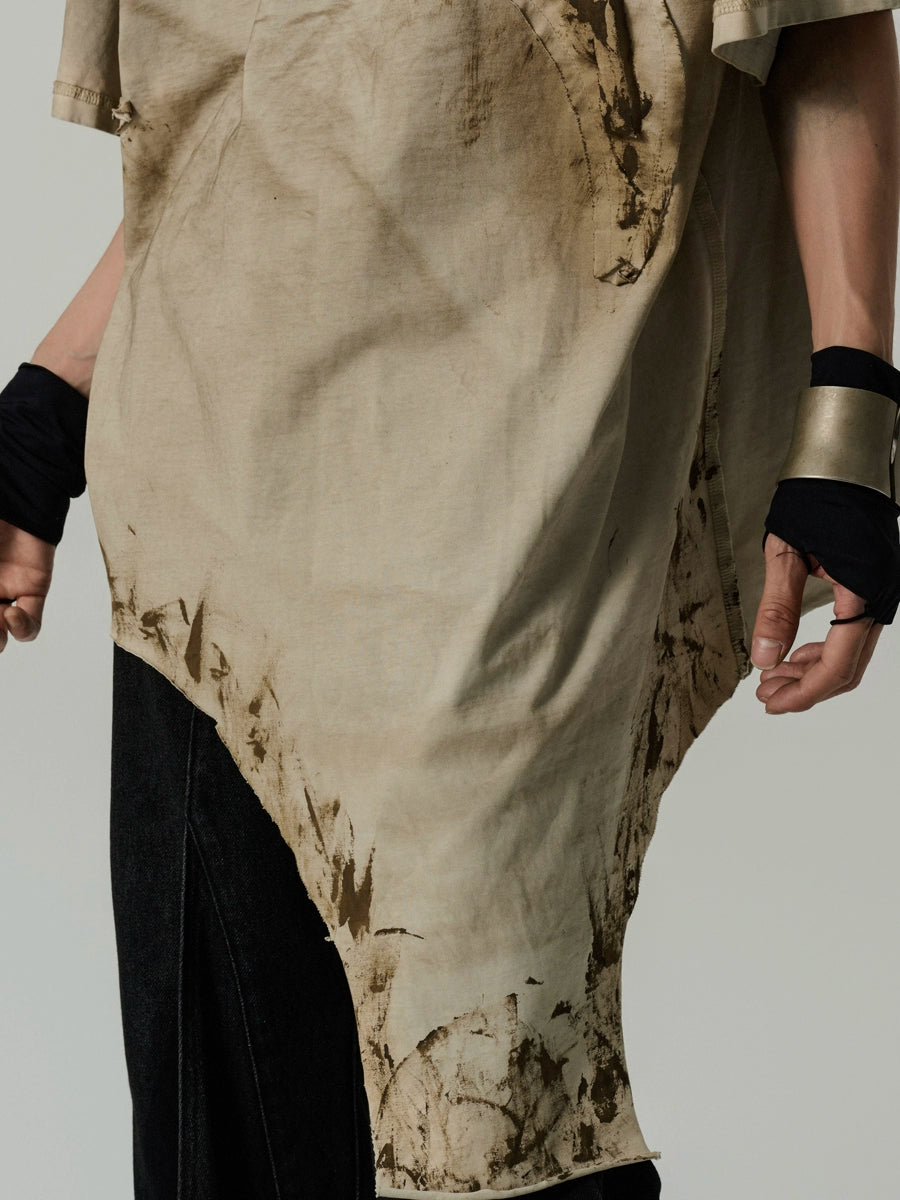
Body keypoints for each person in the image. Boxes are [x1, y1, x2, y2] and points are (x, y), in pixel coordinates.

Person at [2, 3, 899, 1198]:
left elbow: (829, 28)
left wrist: (850, 413)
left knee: (505, 1123)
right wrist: (51, 398)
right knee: (234, 1149)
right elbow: (256, 93)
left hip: (523, 489)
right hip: (206, 530)